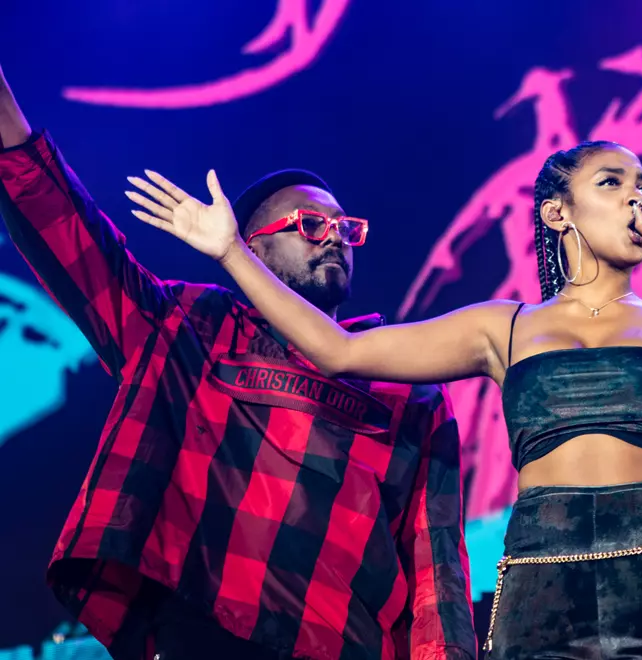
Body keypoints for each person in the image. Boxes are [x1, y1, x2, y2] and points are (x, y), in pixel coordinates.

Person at [126, 139, 642, 659]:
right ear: (557, 213)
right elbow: (340, 351)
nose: (638, 198)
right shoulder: (503, 328)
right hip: (545, 577)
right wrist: (231, 254)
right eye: (612, 182)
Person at [0, 64, 476, 660]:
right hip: (207, 630)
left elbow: (437, 563)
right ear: (253, 247)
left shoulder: (407, 386)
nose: (334, 236)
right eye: (311, 224)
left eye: (344, 228)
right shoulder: (190, 327)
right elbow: (71, 239)